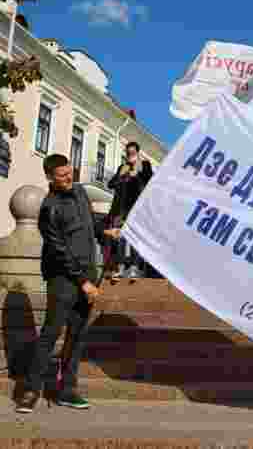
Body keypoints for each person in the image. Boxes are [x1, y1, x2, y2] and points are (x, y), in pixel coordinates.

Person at [17, 153, 111, 414]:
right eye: (62, 175)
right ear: (50, 177)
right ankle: (31, 390)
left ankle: (67, 390)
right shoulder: (49, 208)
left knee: (77, 335)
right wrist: (83, 282)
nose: (69, 178)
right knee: (50, 333)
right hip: (63, 279)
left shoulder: (80, 192)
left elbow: (89, 222)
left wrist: (104, 231)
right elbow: (59, 251)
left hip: (86, 276)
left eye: (70, 172)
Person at [105, 142, 154, 281]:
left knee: (135, 237)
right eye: (128, 153)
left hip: (138, 207)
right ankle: (120, 268)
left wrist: (137, 174)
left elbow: (150, 181)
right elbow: (111, 184)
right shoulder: (123, 167)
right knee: (120, 237)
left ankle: (134, 268)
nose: (130, 155)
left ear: (137, 153)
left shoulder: (145, 165)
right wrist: (123, 175)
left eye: (132, 152)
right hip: (122, 208)